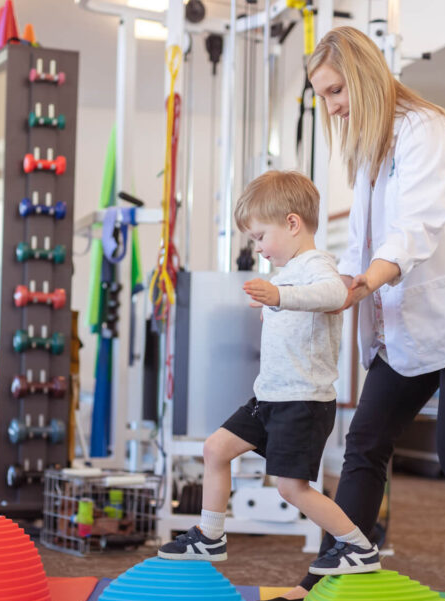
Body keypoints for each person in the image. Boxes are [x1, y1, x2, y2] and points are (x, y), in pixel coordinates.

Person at [248, 26, 445, 601]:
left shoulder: (428, 130)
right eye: (324, 96)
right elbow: (362, 243)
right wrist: (328, 284)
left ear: (362, 77)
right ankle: (332, 570)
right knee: (364, 445)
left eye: (336, 92)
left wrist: (357, 289)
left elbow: (414, 231)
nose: (332, 106)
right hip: (407, 330)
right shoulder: (371, 151)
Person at [158, 170, 381, 578]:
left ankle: (358, 546)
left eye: (260, 237)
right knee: (215, 449)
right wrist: (276, 300)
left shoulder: (317, 264)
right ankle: (210, 534)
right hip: (269, 398)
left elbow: (336, 295)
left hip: (303, 401)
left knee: (290, 488)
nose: (258, 248)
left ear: (292, 224)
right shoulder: (288, 270)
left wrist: (280, 297)